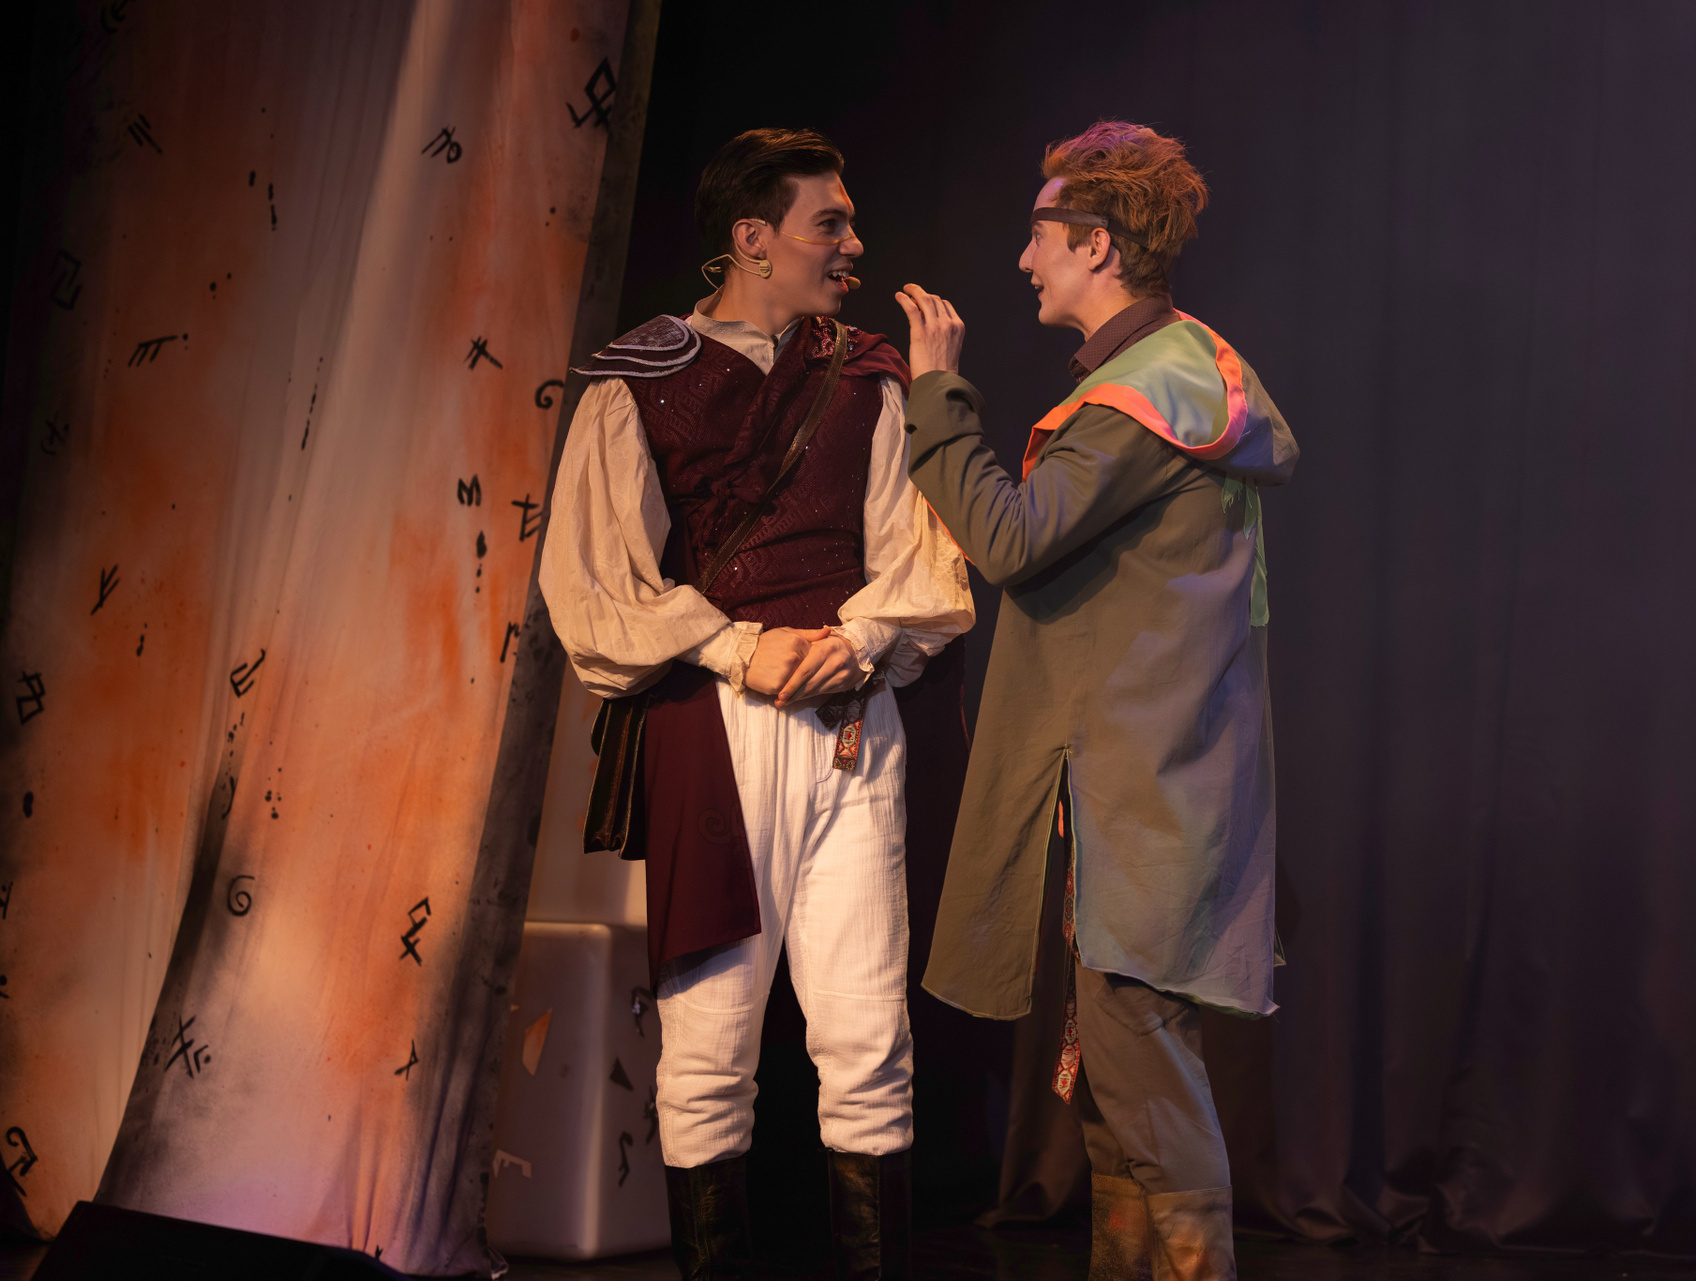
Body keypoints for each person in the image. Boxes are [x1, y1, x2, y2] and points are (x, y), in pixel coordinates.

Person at [541, 127, 973, 1281]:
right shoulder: (641, 376)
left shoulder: (869, 373)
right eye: (830, 223)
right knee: (709, 1050)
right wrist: (739, 648)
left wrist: (858, 638)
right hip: (713, 732)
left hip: (850, 723)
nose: (855, 244)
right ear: (753, 239)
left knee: (869, 1039)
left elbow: (915, 550)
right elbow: (593, 583)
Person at [892, 121, 1297, 1281]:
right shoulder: (1172, 376)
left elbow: (1011, 538)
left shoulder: (1141, 400)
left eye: (1041, 234)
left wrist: (935, 395)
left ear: (1099, 246)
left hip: (1145, 790)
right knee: (1118, 1095)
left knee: (1144, 1082)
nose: (1024, 259)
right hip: (1149, 781)